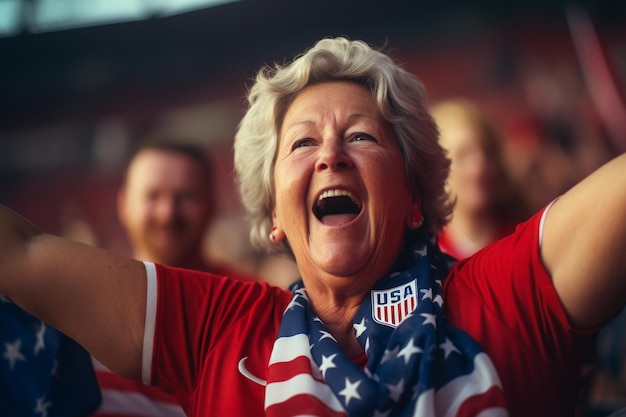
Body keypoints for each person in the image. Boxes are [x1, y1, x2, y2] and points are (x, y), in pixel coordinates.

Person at [0, 37, 624, 417]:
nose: (330, 155)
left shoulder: (507, 294)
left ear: (413, 197)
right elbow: (20, 254)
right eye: (302, 144)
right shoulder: (219, 327)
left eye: (360, 136)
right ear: (274, 216)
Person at [92, 139, 255, 417]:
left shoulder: (249, 306)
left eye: (185, 197)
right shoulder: (83, 303)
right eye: (153, 196)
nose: (167, 213)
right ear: (124, 204)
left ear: (212, 205)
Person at [430, 98, 528, 260]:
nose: (479, 166)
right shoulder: (429, 259)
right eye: (462, 155)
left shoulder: (524, 239)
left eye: (486, 152)